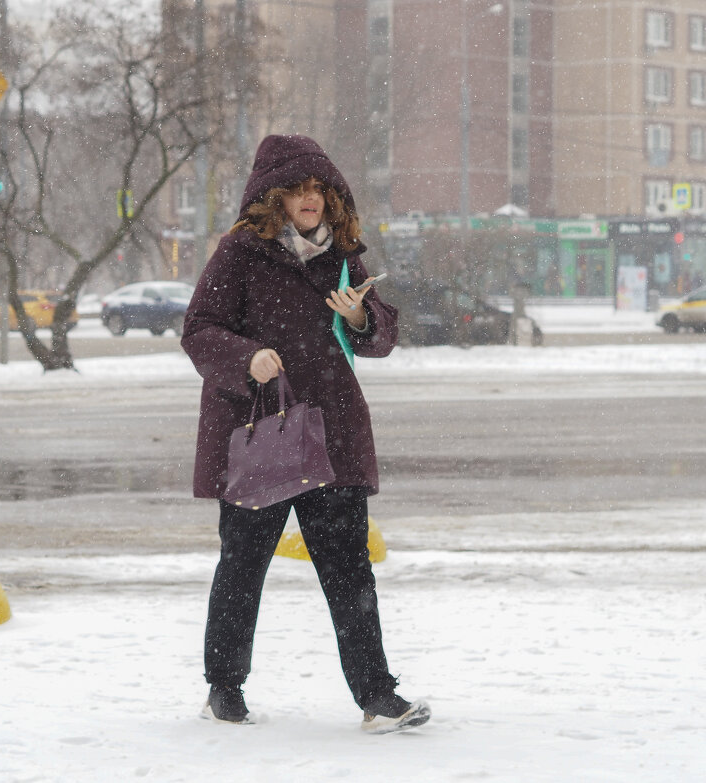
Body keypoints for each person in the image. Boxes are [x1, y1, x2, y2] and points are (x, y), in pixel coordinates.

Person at [181, 134, 429, 734]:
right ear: (274, 199)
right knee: (243, 566)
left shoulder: (341, 257)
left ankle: (377, 696)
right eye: (297, 189)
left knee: (349, 570)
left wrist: (359, 316)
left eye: (318, 188)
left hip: (330, 435)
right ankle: (224, 688)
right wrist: (247, 358)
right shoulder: (239, 254)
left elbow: (380, 337)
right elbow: (198, 329)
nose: (310, 199)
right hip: (258, 429)